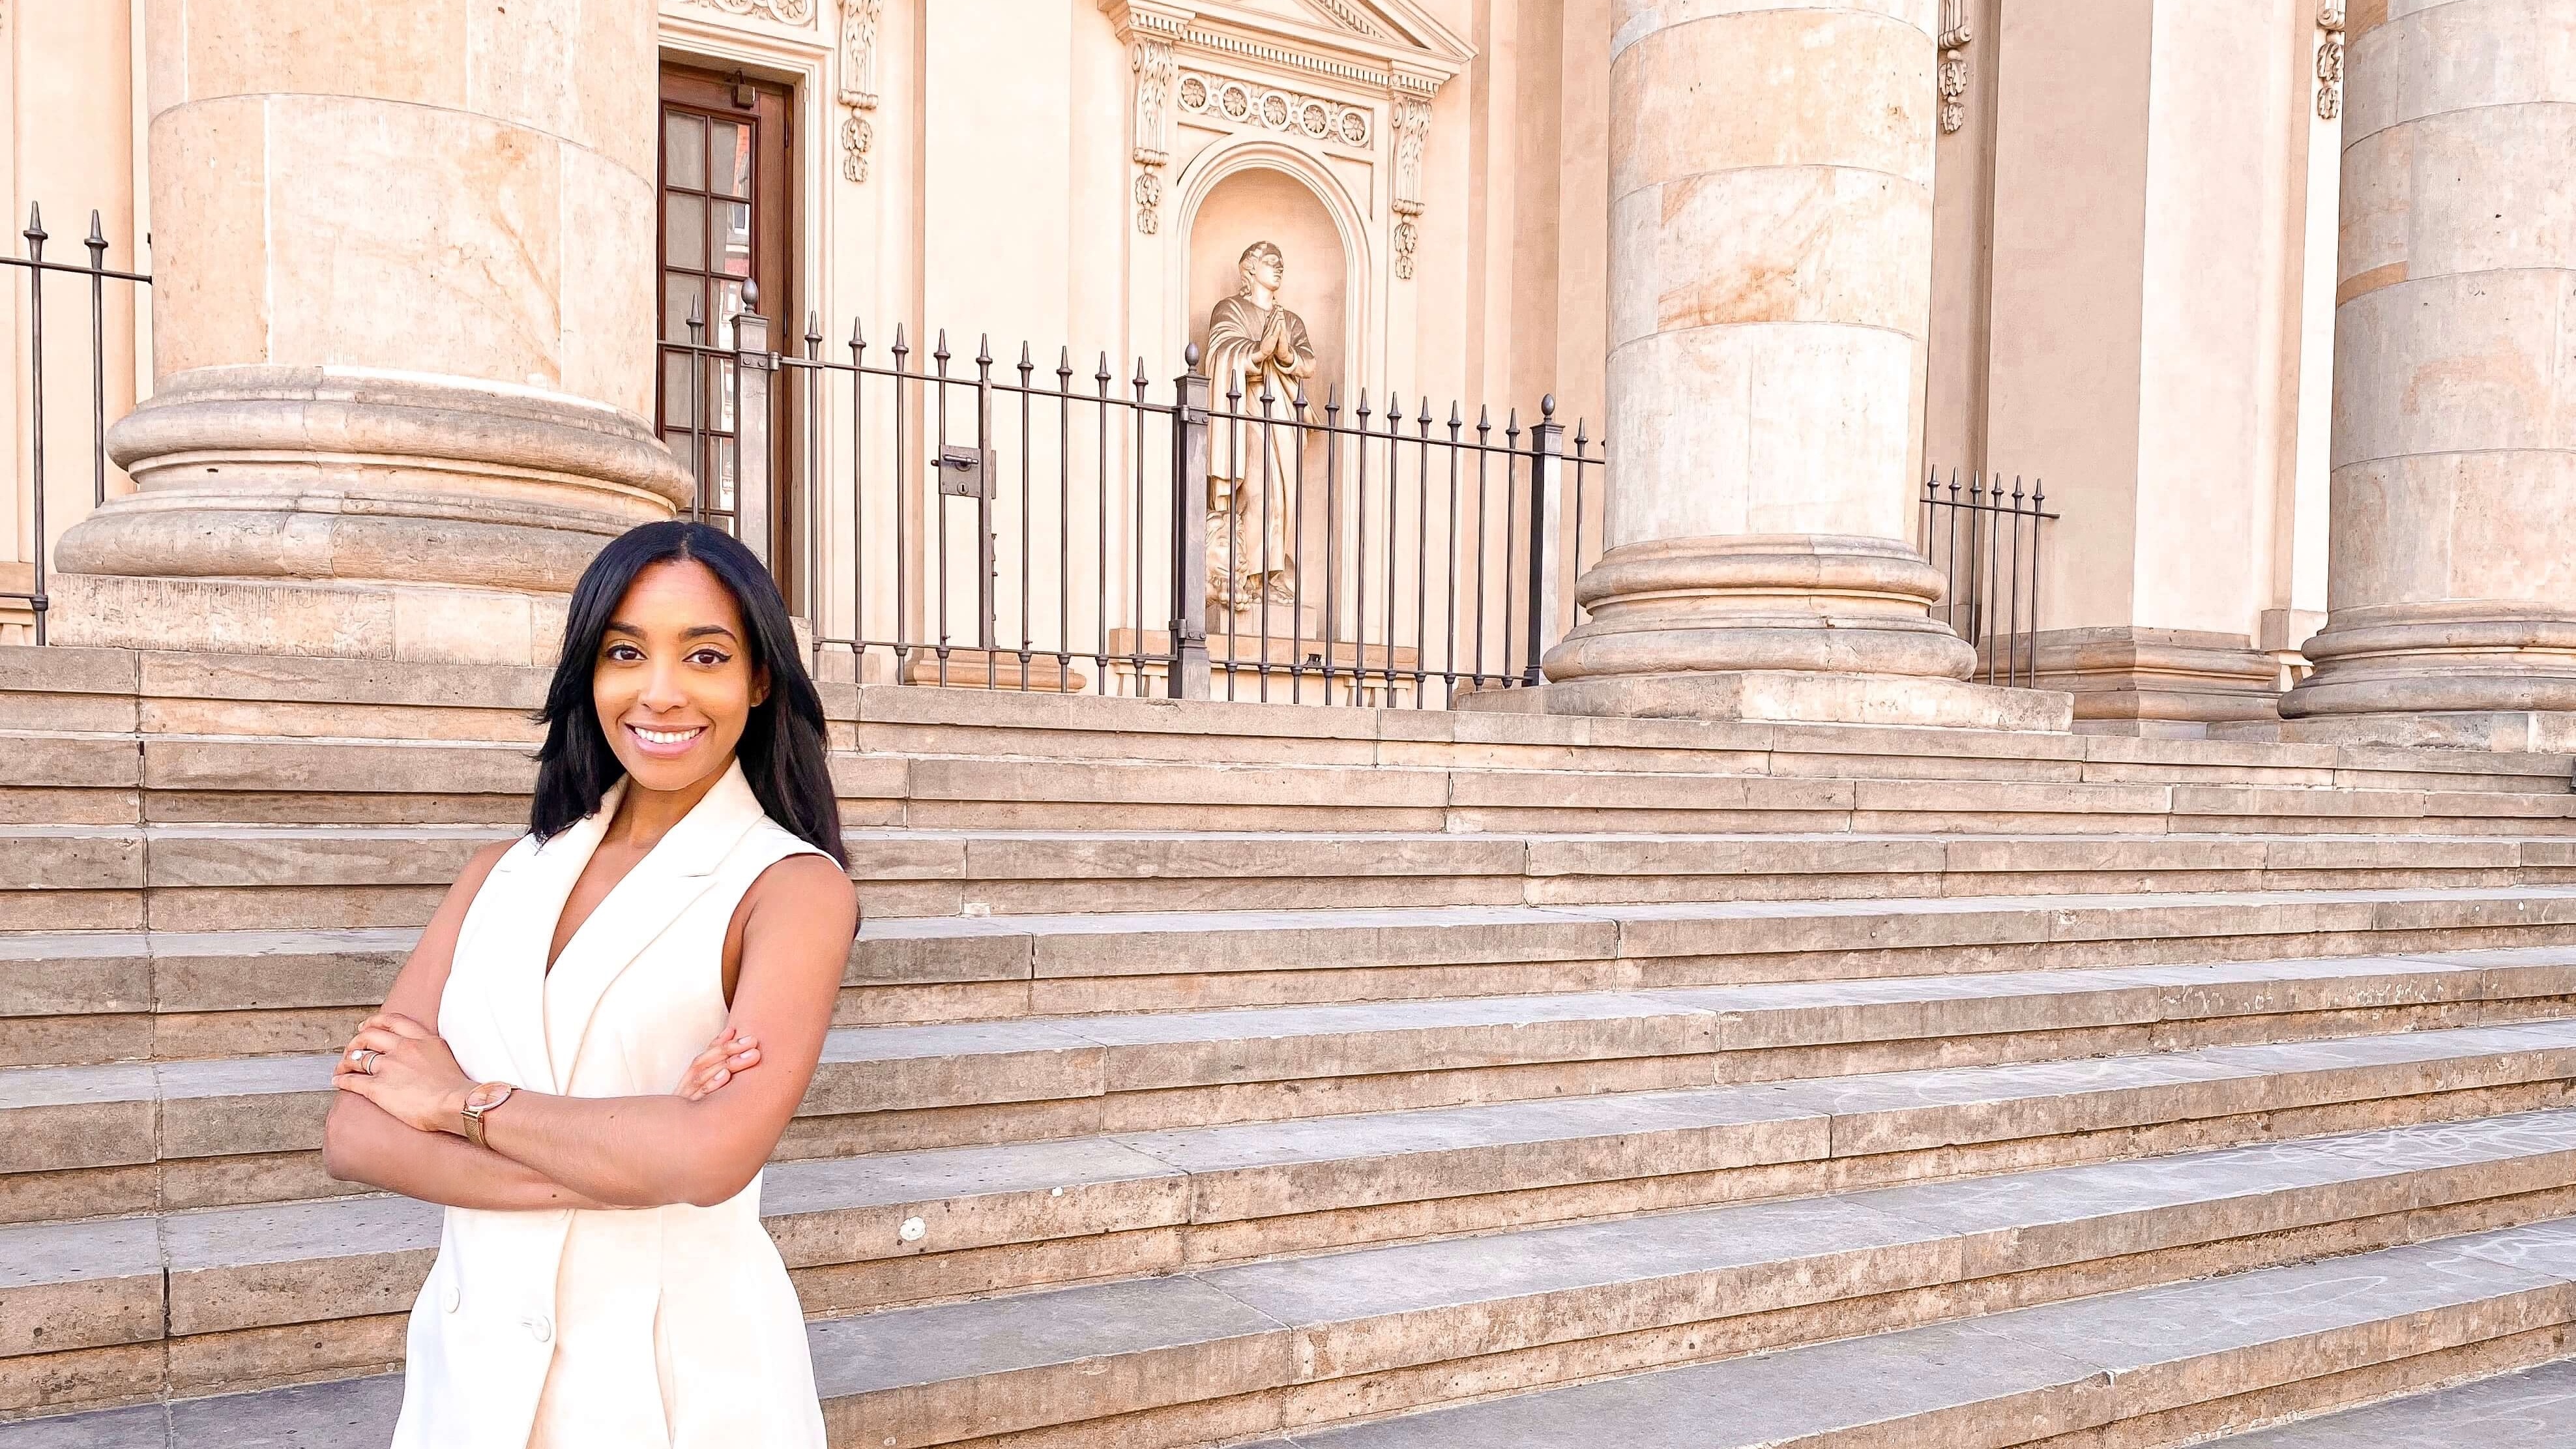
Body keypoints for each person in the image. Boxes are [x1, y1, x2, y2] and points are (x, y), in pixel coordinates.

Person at [322, 520, 856, 1448]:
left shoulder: (791, 887)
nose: (660, 692)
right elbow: (355, 1131)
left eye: (705, 655)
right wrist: (627, 1155)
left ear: (759, 679)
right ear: (588, 671)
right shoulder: (499, 873)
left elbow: (710, 1158)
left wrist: (454, 1103)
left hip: (679, 1389)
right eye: (624, 651)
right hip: (472, 1381)